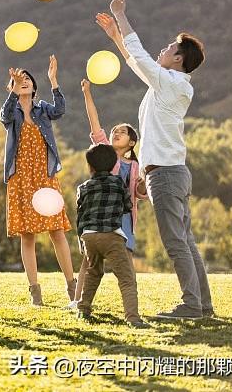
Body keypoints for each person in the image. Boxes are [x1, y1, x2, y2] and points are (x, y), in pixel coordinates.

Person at [96, 0, 214, 320]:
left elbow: (141, 56)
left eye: (169, 48)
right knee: (185, 241)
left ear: (178, 60)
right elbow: (138, 62)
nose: (163, 50)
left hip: (167, 174)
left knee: (177, 243)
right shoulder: (168, 83)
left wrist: (121, 15)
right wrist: (116, 39)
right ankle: (203, 306)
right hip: (168, 172)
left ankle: (192, 305)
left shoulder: (171, 83)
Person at [0, 57, 76, 306]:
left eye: (27, 79)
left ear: (34, 86)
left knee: (57, 230)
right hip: (21, 178)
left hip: (45, 176)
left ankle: (72, 286)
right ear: (11, 87)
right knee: (28, 235)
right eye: (18, 80)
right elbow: (4, 115)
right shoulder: (12, 112)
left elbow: (60, 110)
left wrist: (54, 81)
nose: (24, 82)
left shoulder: (43, 109)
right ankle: (35, 291)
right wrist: (12, 94)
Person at [68, 79, 147, 309]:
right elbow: (95, 122)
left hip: (123, 217)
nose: (116, 133)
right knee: (89, 261)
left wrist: (142, 184)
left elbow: (139, 194)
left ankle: (132, 303)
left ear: (132, 142)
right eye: (115, 131)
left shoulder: (135, 166)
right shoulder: (103, 151)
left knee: (126, 261)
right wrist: (87, 93)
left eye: (122, 132)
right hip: (101, 215)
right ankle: (77, 300)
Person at [75, 144, 150, 329]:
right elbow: (127, 206)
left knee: (93, 272)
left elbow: (80, 214)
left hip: (89, 237)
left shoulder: (83, 187)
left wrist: (81, 241)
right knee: (126, 278)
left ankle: (83, 309)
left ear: (90, 167)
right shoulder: (118, 183)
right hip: (112, 236)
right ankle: (132, 318)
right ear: (113, 164)